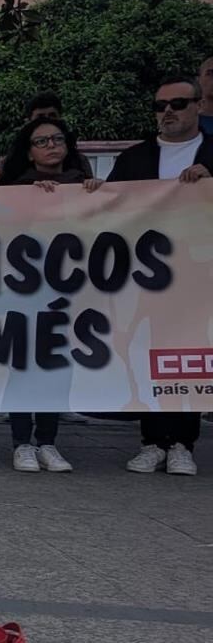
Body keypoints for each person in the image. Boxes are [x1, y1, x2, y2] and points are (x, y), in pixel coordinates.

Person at [0, 110, 103, 473]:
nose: (51, 146)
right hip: (24, 291)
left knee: (58, 365)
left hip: (69, 291)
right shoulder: (15, 189)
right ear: (29, 152)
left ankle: (48, 441)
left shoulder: (84, 185)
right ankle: (22, 442)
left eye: (57, 140)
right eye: (41, 141)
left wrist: (97, 196)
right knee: (23, 364)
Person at [111, 76, 210, 477]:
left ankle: (183, 442)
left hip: (199, 275)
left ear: (198, 106)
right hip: (145, 274)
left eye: (179, 103)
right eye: (160, 105)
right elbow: (109, 206)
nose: (169, 111)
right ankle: (152, 441)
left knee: (188, 355)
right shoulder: (135, 158)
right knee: (146, 352)